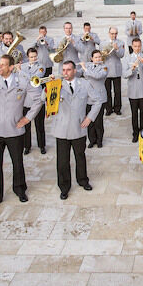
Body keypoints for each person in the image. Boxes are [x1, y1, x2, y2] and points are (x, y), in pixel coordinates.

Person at [0, 55, 42, 211]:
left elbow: (38, 98)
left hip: (14, 129)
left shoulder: (21, 81)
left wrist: (28, 118)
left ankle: (20, 189)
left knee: (17, 162)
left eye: (3, 65)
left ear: (11, 67)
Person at [48, 61, 103, 200]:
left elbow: (98, 100)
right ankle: (64, 187)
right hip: (62, 128)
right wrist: (49, 86)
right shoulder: (57, 84)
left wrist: (90, 118)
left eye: (68, 70)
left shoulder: (84, 84)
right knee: (62, 160)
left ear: (74, 71)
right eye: (63, 70)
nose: (65, 72)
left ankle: (83, 180)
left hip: (78, 127)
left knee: (80, 155)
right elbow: (45, 100)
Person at [17, 48, 47, 154]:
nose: (34, 58)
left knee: (40, 125)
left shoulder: (41, 67)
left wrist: (21, 71)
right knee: (26, 125)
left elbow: (34, 79)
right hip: (25, 101)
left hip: (37, 99)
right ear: (27, 57)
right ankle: (27, 146)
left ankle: (42, 145)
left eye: (35, 56)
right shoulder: (23, 66)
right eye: (31, 57)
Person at [123, 38, 143, 142]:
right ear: (132, 47)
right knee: (134, 114)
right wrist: (132, 69)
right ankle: (135, 133)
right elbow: (124, 75)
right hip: (133, 91)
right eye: (135, 46)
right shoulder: (127, 59)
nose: (137, 48)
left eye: (139, 46)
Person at [79, 50, 108, 148]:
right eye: (96, 57)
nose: (98, 59)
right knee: (89, 120)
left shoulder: (104, 67)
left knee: (98, 121)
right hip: (88, 97)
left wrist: (84, 68)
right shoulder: (88, 66)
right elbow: (78, 73)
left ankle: (99, 140)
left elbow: (97, 76)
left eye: (99, 57)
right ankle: (92, 140)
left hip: (100, 97)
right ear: (92, 58)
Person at [101, 27, 126, 116]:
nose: (114, 35)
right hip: (107, 70)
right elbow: (101, 56)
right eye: (112, 33)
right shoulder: (103, 43)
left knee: (117, 91)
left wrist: (116, 49)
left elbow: (121, 55)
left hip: (116, 70)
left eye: (115, 33)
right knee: (107, 91)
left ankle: (117, 108)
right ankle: (108, 109)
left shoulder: (121, 43)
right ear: (109, 33)